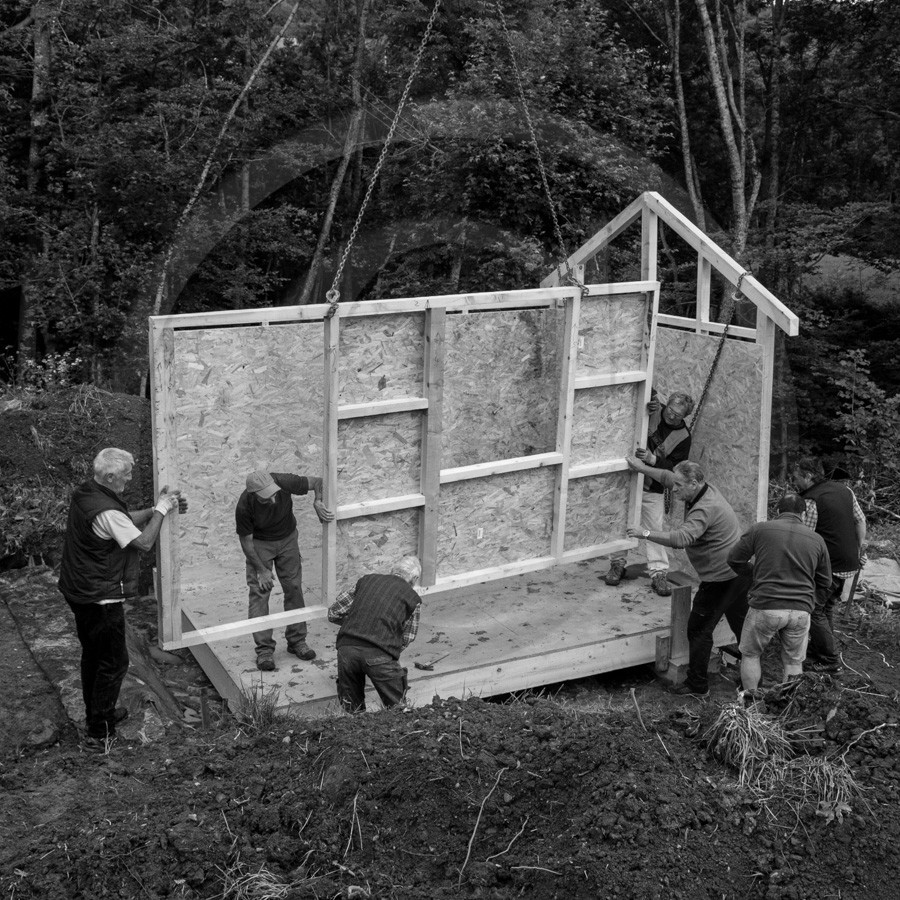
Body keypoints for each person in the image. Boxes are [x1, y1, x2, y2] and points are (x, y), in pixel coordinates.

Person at [58, 447, 188, 750]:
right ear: (110, 475)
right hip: (98, 595)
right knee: (114, 662)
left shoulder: (88, 493)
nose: (129, 479)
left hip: (78, 589)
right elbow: (142, 542)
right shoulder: (106, 510)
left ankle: (98, 715)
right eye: (126, 474)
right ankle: (98, 733)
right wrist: (162, 510)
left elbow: (124, 520)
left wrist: (157, 507)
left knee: (93, 654)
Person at [625, 458, 750, 697]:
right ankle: (752, 674)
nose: (675, 489)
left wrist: (645, 533)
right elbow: (666, 476)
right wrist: (641, 469)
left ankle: (697, 686)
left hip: (722, 578)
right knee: (741, 626)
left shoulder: (705, 508)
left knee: (698, 629)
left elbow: (681, 539)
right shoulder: (698, 487)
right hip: (740, 571)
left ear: (693, 483)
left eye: (680, 486)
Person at [727, 494, 831, 693]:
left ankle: (751, 708)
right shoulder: (817, 540)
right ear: (803, 513)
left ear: (777, 510)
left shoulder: (760, 529)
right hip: (800, 611)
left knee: (750, 654)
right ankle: (788, 709)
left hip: (766, 606)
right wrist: (809, 599)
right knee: (793, 662)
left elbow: (734, 559)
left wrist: (755, 574)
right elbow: (825, 581)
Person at [236, 470, 335, 671]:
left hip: (288, 538)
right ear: (254, 495)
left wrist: (317, 501)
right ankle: (264, 651)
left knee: (294, 588)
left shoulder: (284, 482)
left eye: (274, 493)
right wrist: (261, 570)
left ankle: (297, 641)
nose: (273, 499)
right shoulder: (245, 505)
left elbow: (318, 481)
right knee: (259, 593)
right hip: (260, 544)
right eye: (266, 497)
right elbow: (246, 543)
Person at [605, 389, 694, 597]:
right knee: (622, 522)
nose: (671, 416)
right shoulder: (654, 409)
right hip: (629, 480)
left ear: (684, 417)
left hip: (653, 487)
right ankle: (617, 564)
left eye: (678, 415)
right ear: (667, 404)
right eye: (670, 410)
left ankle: (659, 573)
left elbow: (675, 470)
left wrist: (653, 460)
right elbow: (644, 385)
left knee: (654, 529)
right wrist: (649, 400)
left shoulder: (683, 437)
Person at [794, 456, 867, 674]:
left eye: (796, 476)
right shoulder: (845, 491)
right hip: (848, 562)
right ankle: (820, 653)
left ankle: (830, 660)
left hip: (829, 565)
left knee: (814, 609)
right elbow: (860, 520)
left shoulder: (811, 500)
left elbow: (806, 538)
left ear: (807, 476)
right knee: (825, 607)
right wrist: (858, 547)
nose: (794, 481)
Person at [328, 556, 423, 713]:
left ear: (392, 571)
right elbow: (406, 638)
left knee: (353, 712)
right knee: (398, 710)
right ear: (414, 578)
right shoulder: (413, 599)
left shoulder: (366, 581)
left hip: (346, 650)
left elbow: (334, 612)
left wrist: (358, 623)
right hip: (380, 653)